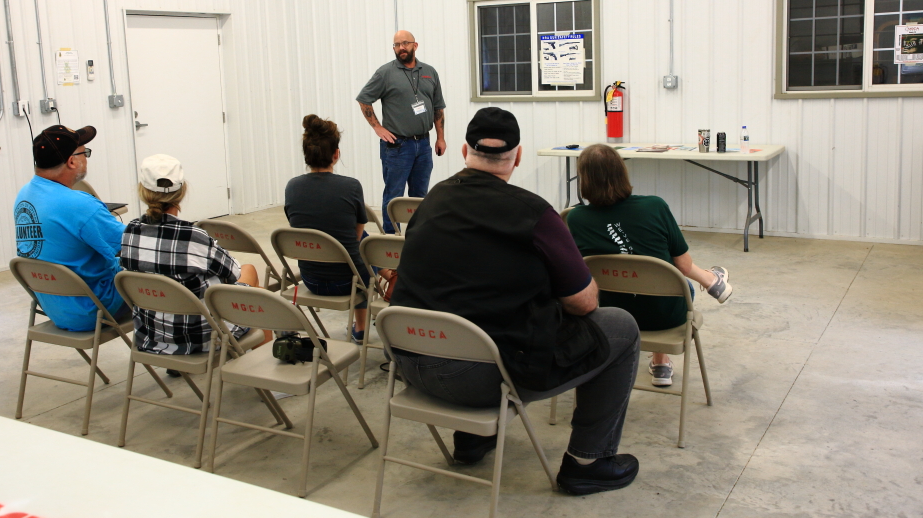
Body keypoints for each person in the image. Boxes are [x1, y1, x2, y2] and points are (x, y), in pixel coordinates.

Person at [389, 107, 641, 496]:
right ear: (518, 156)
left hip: (408, 362)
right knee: (620, 326)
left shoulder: (431, 201)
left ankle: (472, 440)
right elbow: (585, 303)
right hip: (478, 380)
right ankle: (589, 461)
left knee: (463, 308)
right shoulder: (535, 214)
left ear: (462, 151)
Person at [566, 144, 732, 388]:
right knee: (680, 283)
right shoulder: (654, 206)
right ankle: (662, 362)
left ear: (585, 180)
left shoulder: (575, 218)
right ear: (622, 172)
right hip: (667, 317)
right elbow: (684, 265)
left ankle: (710, 279)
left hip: (612, 316)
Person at [119, 154, 263, 361]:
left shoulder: (130, 231)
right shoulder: (193, 236)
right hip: (202, 336)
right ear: (182, 190)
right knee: (249, 272)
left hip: (153, 336)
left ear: (142, 190)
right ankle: (267, 374)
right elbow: (233, 273)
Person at [285, 115, 391, 343]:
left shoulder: (292, 187)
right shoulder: (351, 186)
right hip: (349, 282)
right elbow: (355, 237)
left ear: (307, 155)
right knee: (361, 241)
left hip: (310, 278)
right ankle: (362, 326)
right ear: (336, 154)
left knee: (352, 238)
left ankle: (384, 272)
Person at [13, 124, 129, 332]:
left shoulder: (24, 195)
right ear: (72, 161)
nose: (86, 159)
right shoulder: (80, 205)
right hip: (95, 309)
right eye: (85, 153)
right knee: (165, 269)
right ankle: (176, 354)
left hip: (56, 307)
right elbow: (133, 244)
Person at [357, 30, 446, 234]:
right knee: (394, 197)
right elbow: (364, 99)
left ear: (415, 45)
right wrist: (377, 127)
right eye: (397, 45)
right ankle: (391, 242)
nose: (401, 48)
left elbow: (438, 107)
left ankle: (416, 239)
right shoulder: (385, 73)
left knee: (419, 197)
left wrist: (440, 138)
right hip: (397, 147)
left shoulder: (429, 72)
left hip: (423, 145)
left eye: (405, 43)